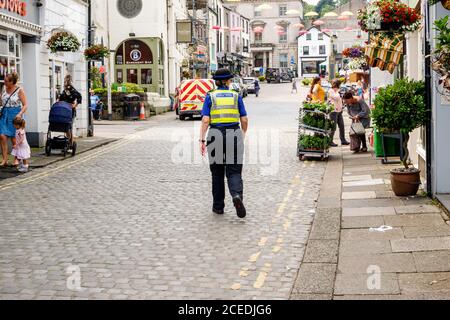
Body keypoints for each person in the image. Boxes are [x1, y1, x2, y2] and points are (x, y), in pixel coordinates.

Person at [199, 68, 249, 219]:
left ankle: (218, 207)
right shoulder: (236, 96)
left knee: (217, 173)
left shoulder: (210, 97)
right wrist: (242, 133)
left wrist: (202, 139)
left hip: (215, 135)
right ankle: (236, 195)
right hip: (234, 133)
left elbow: (206, 120)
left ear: (216, 81)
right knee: (234, 171)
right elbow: (244, 119)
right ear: (227, 81)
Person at [0, 73, 28, 167]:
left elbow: (25, 105)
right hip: (4, 114)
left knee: (14, 138)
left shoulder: (19, 90)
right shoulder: (4, 88)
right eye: (4, 80)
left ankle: (16, 158)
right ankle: (4, 159)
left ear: (12, 82)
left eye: (6, 81)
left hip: (15, 115)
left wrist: (20, 114)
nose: (4, 82)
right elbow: (1, 101)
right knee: (2, 136)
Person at [58, 75, 82, 144]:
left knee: (69, 127)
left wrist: (75, 105)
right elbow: (61, 99)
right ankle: (68, 142)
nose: (65, 81)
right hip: (64, 110)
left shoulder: (71, 89)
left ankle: (70, 142)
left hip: (70, 111)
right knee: (66, 127)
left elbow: (79, 96)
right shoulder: (64, 90)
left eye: (67, 80)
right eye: (65, 80)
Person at [328, 79, 350, 147]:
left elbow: (340, 100)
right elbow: (337, 98)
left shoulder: (336, 91)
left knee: (342, 126)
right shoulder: (331, 91)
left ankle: (343, 140)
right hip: (333, 111)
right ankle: (330, 141)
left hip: (339, 111)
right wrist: (337, 91)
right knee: (333, 127)